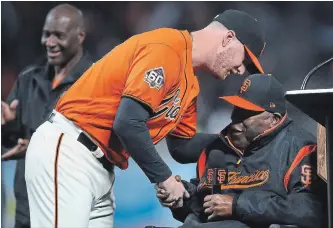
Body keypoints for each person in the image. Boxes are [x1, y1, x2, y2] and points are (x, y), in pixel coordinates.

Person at [25, 9, 266, 227]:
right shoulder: (167, 47)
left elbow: (181, 147)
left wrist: (235, 141)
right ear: (228, 39)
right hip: (70, 149)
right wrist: (164, 178)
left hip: (100, 166)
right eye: (244, 60)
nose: (241, 70)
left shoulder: (189, 84)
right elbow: (128, 123)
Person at [153, 74, 327, 228]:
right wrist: (182, 197)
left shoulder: (301, 148)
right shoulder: (217, 147)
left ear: (273, 119)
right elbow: (205, 210)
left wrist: (238, 206)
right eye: (236, 107)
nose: (235, 118)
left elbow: (310, 210)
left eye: (247, 113)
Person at [1, 4, 93, 228]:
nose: (50, 42)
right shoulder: (27, 80)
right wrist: (8, 126)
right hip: (27, 211)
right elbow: (10, 145)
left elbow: (101, 146)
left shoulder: (95, 83)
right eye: (46, 34)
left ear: (80, 36)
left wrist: (39, 148)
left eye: (58, 35)